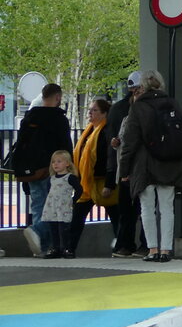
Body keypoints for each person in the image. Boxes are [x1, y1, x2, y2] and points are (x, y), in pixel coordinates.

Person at [118, 70, 182, 263]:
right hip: (170, 163)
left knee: (147, 208)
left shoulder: (139, 107)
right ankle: (166, 250)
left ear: (143, 87)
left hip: (145, 165)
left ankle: (152, 249)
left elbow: (129, 142)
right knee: (167, 208)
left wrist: (124, 171)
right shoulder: (173, 103)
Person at [13, 82, 73, 257]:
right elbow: (65, 145)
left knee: (38, 205)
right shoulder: (58, 119)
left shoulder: (30, 117)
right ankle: (38, 231)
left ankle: (43, 247)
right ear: (57, 97)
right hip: (52, 170)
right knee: (54, 208)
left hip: (32, 171)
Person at [69, 98, 117, 255]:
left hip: (101, 180)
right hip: (86, 183)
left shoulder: (106, 130)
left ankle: (122, 245)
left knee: (115, 214)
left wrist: (109, 183)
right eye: (90, 109)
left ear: (104, 113)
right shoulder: (88, 130)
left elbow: (110, 157)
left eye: (94, 110)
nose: (90, 112)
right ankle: (70, 248)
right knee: (77, 215)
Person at [104, 72, 144, 257]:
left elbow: (113, 141)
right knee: (144, 208)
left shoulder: (117, 109)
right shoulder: (143, 110)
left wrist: (114, 173)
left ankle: (124, 244)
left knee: (126, 209)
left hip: (124, 166)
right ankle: (144, 245)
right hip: (139, 167)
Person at [41, 150, 83, 259]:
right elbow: (49, 191)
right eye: (53, 162)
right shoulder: (51, 179)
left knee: (64, 229)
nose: (55, 164)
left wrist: (73, 200)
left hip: (63, 207)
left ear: (67, 163)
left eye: (59, 161)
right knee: (53, 228)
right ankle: (56, 248)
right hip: (52, 207)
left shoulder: (70, 177)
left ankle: (66, 248)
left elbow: (79, 190)